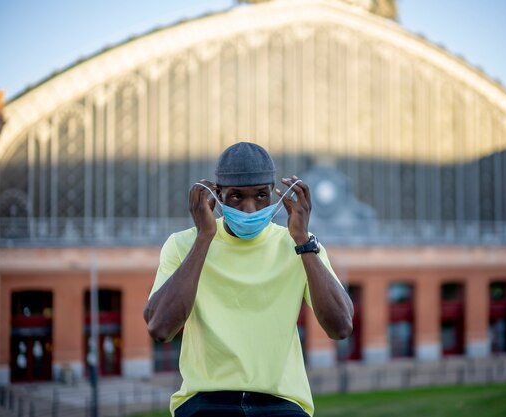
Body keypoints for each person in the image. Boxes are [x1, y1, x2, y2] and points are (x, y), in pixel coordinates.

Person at [144, 142, 354, 417]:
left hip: (282, 404)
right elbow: (160, 328)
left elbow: (340, 327)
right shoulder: (183, 245)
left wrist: (303, 241)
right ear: (216, 195)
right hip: (207, 403)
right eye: (236, 197)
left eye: (261, 196)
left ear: (275, 194)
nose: (250, 208)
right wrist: (204, 238)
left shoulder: (301, 246)